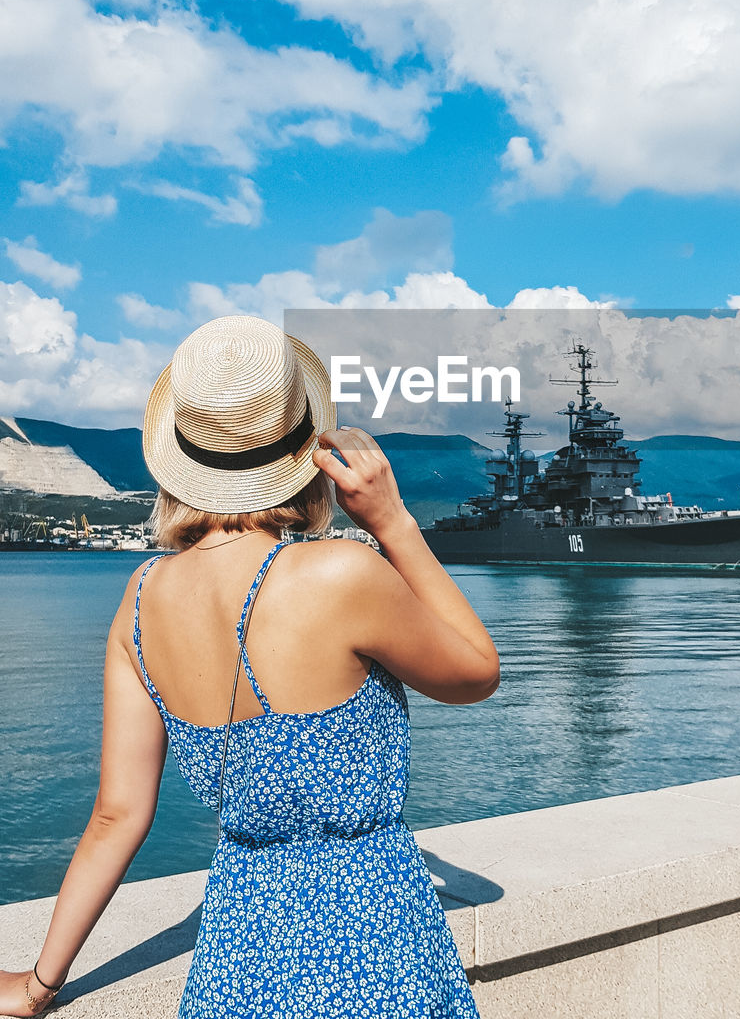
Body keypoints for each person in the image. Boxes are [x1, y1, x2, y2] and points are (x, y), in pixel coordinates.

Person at [0, 315, 500, 1018]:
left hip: (236, 960)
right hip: (377, 948)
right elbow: (477, 672)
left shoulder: (141, 599)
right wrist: (392, 521)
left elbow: (118, 816)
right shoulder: (340, 574)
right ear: (307, 450)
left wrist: (38, 984)